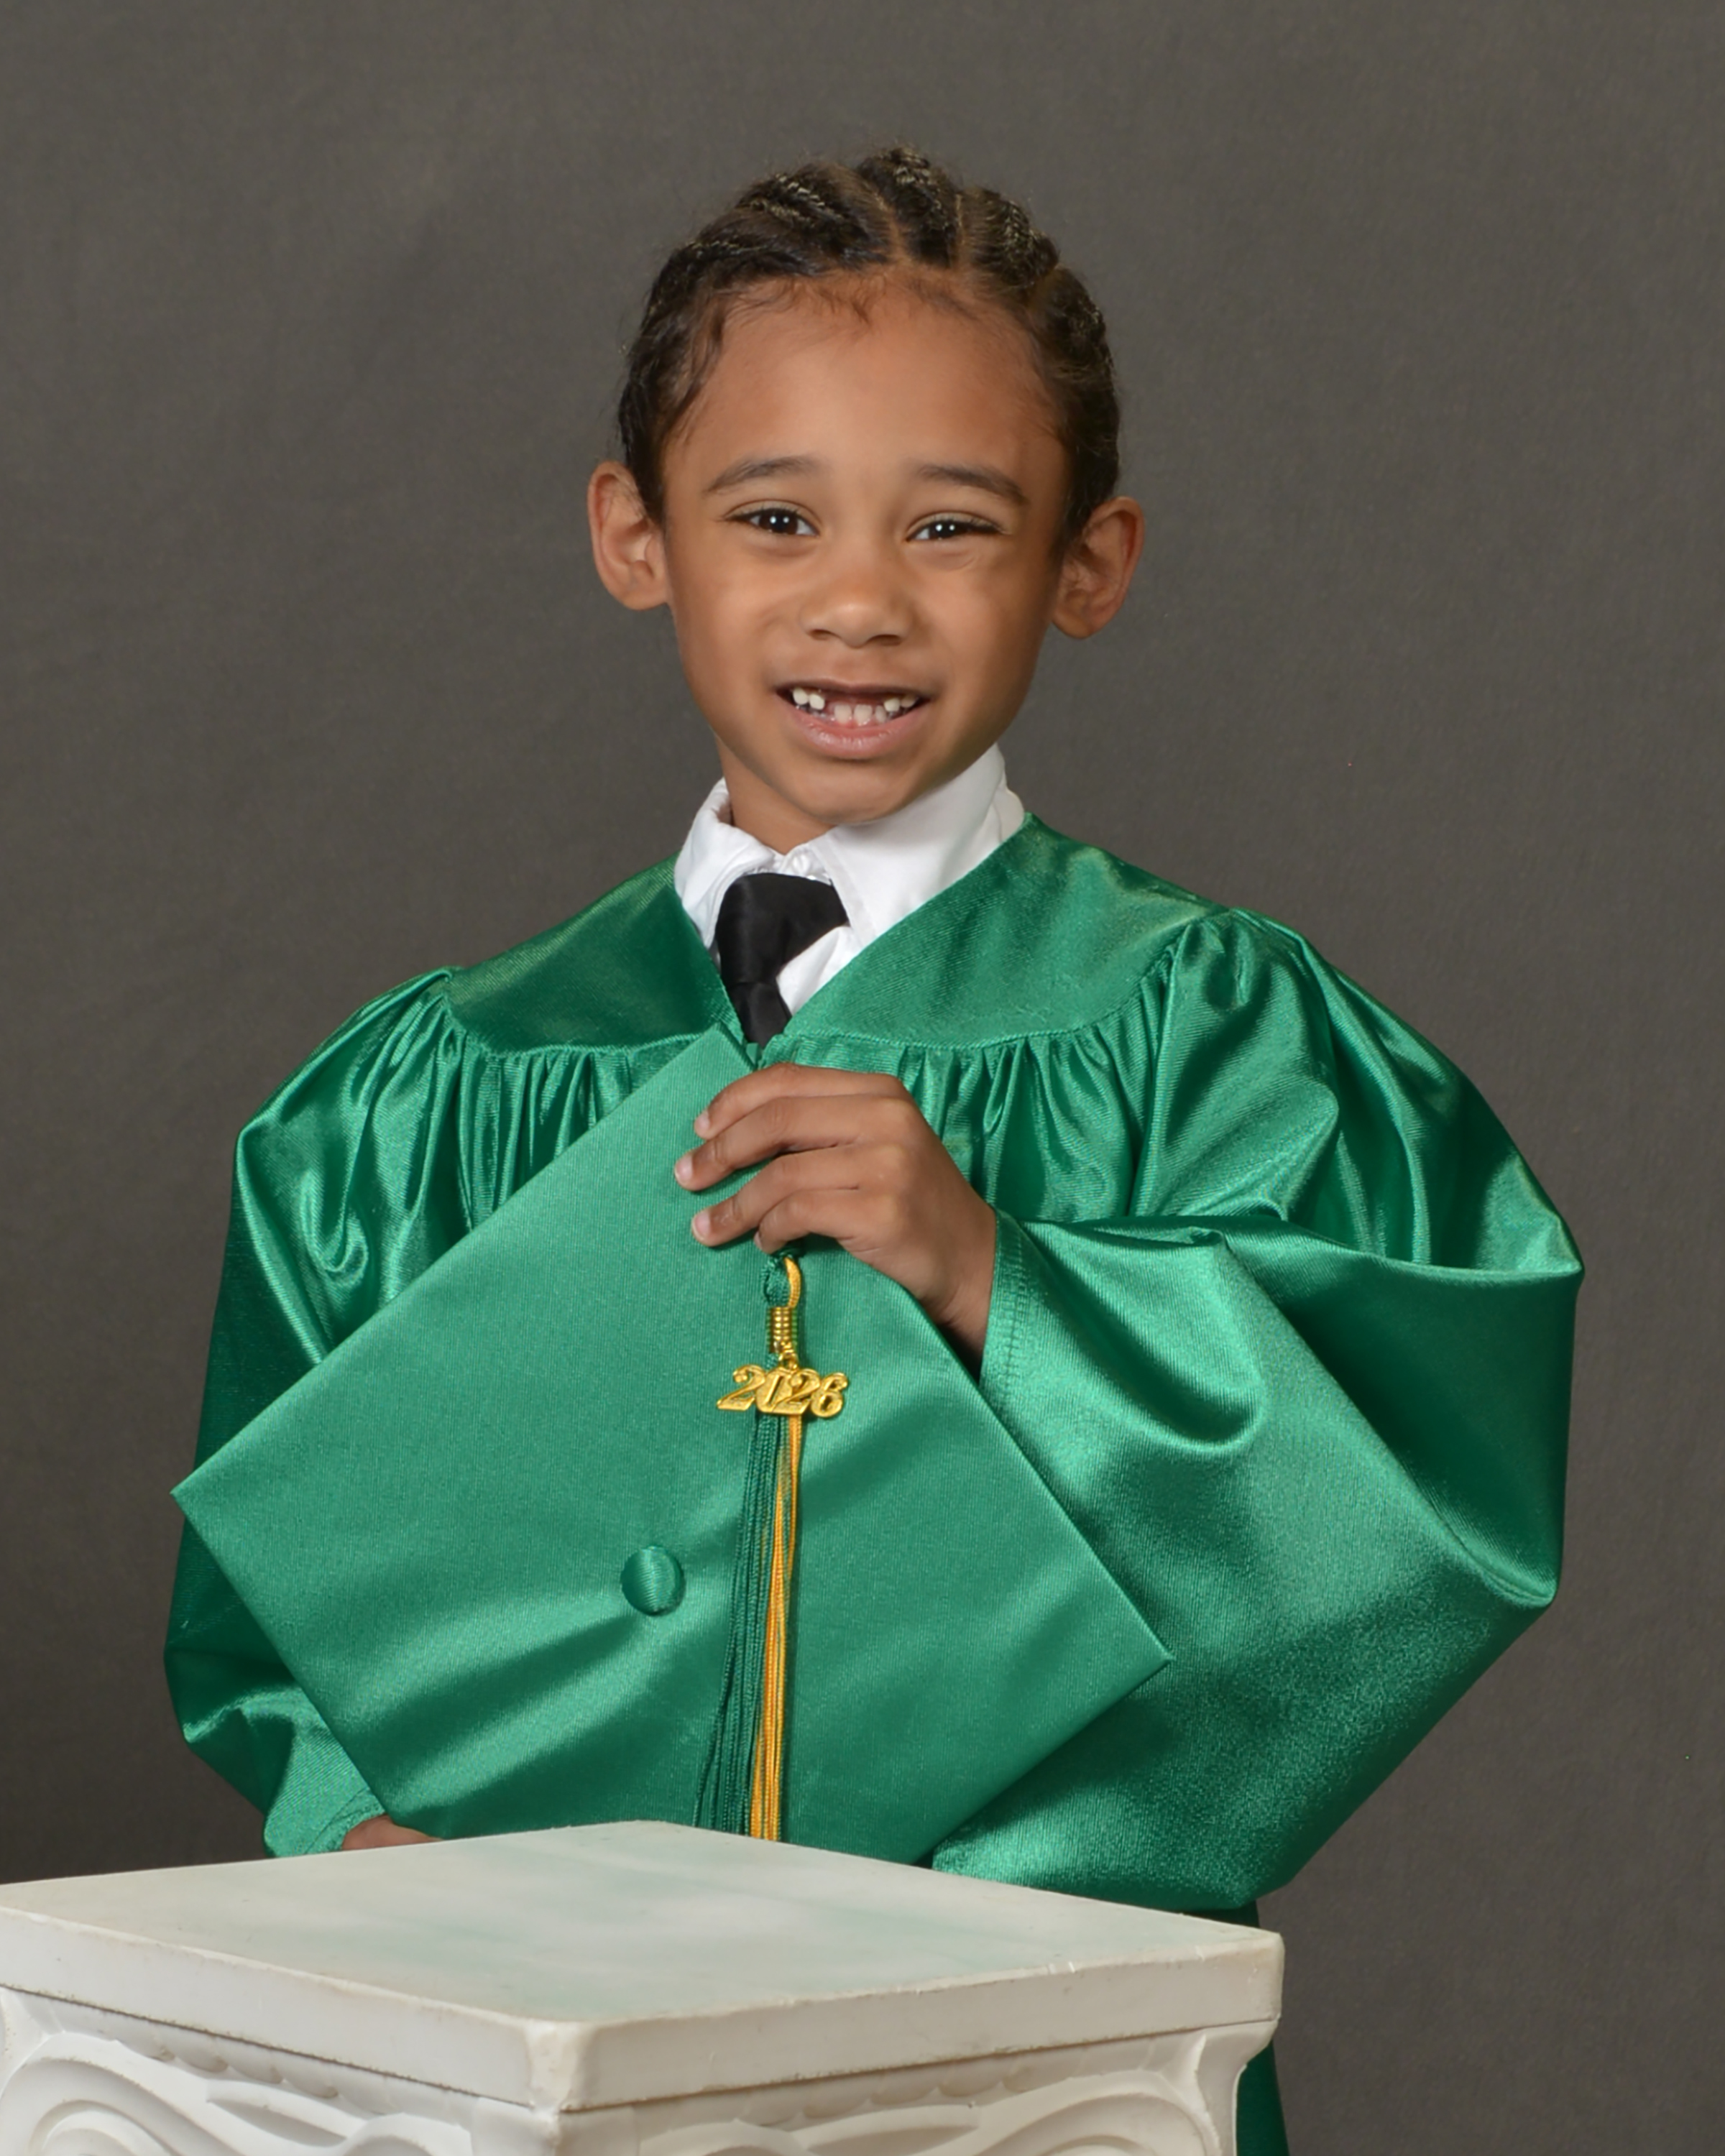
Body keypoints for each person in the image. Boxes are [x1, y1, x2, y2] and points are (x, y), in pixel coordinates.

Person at [165, 149, 1581, 2156]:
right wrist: (353, 1829)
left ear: (1089, 562)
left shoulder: (1215, 1038)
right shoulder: (428, 1091)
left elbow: (1423, 1494)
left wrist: (1006, 1280)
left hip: (1014, 2067)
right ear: (634, 534)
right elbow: (276, 1589)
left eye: (952, 525)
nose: (859, 599)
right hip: (535, 2058)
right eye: (775, 517)